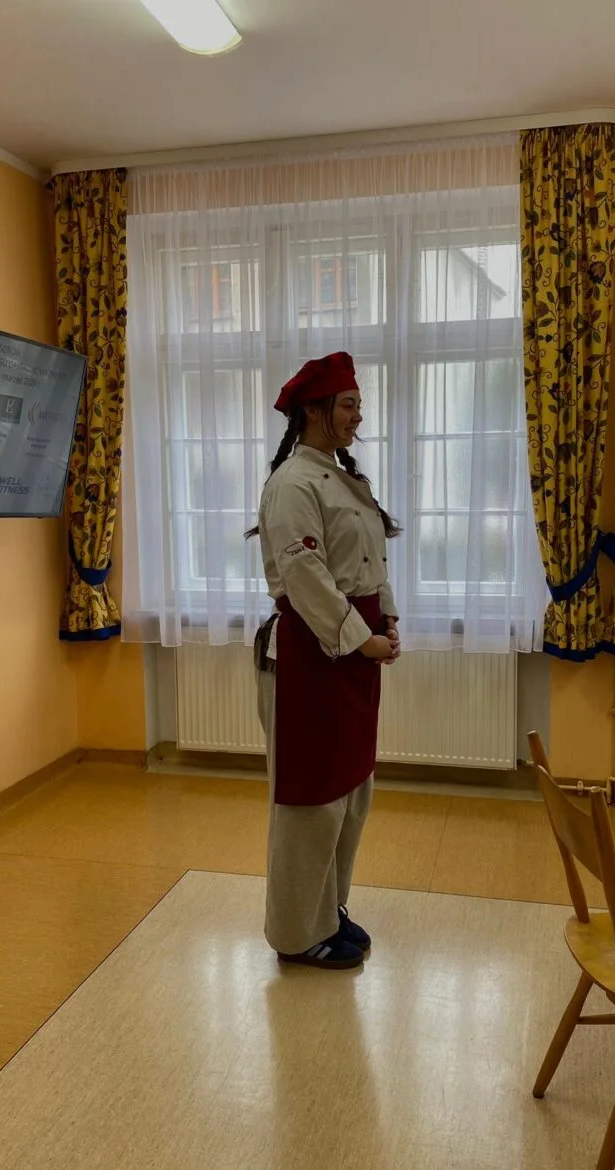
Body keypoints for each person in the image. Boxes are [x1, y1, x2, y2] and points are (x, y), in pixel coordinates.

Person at [249, 351, 402, 970]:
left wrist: (387, 621)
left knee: (350, 793)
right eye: (348, 404)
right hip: (310, 658)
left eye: (358, 403)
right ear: (314, 411)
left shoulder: (343, 478)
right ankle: (296, 933)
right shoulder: (292, 483)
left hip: (353, 653)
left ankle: (327, 909)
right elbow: (305, 576)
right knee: (310, 802)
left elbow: (370, 563)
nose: (358, 415)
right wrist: (363, 639)